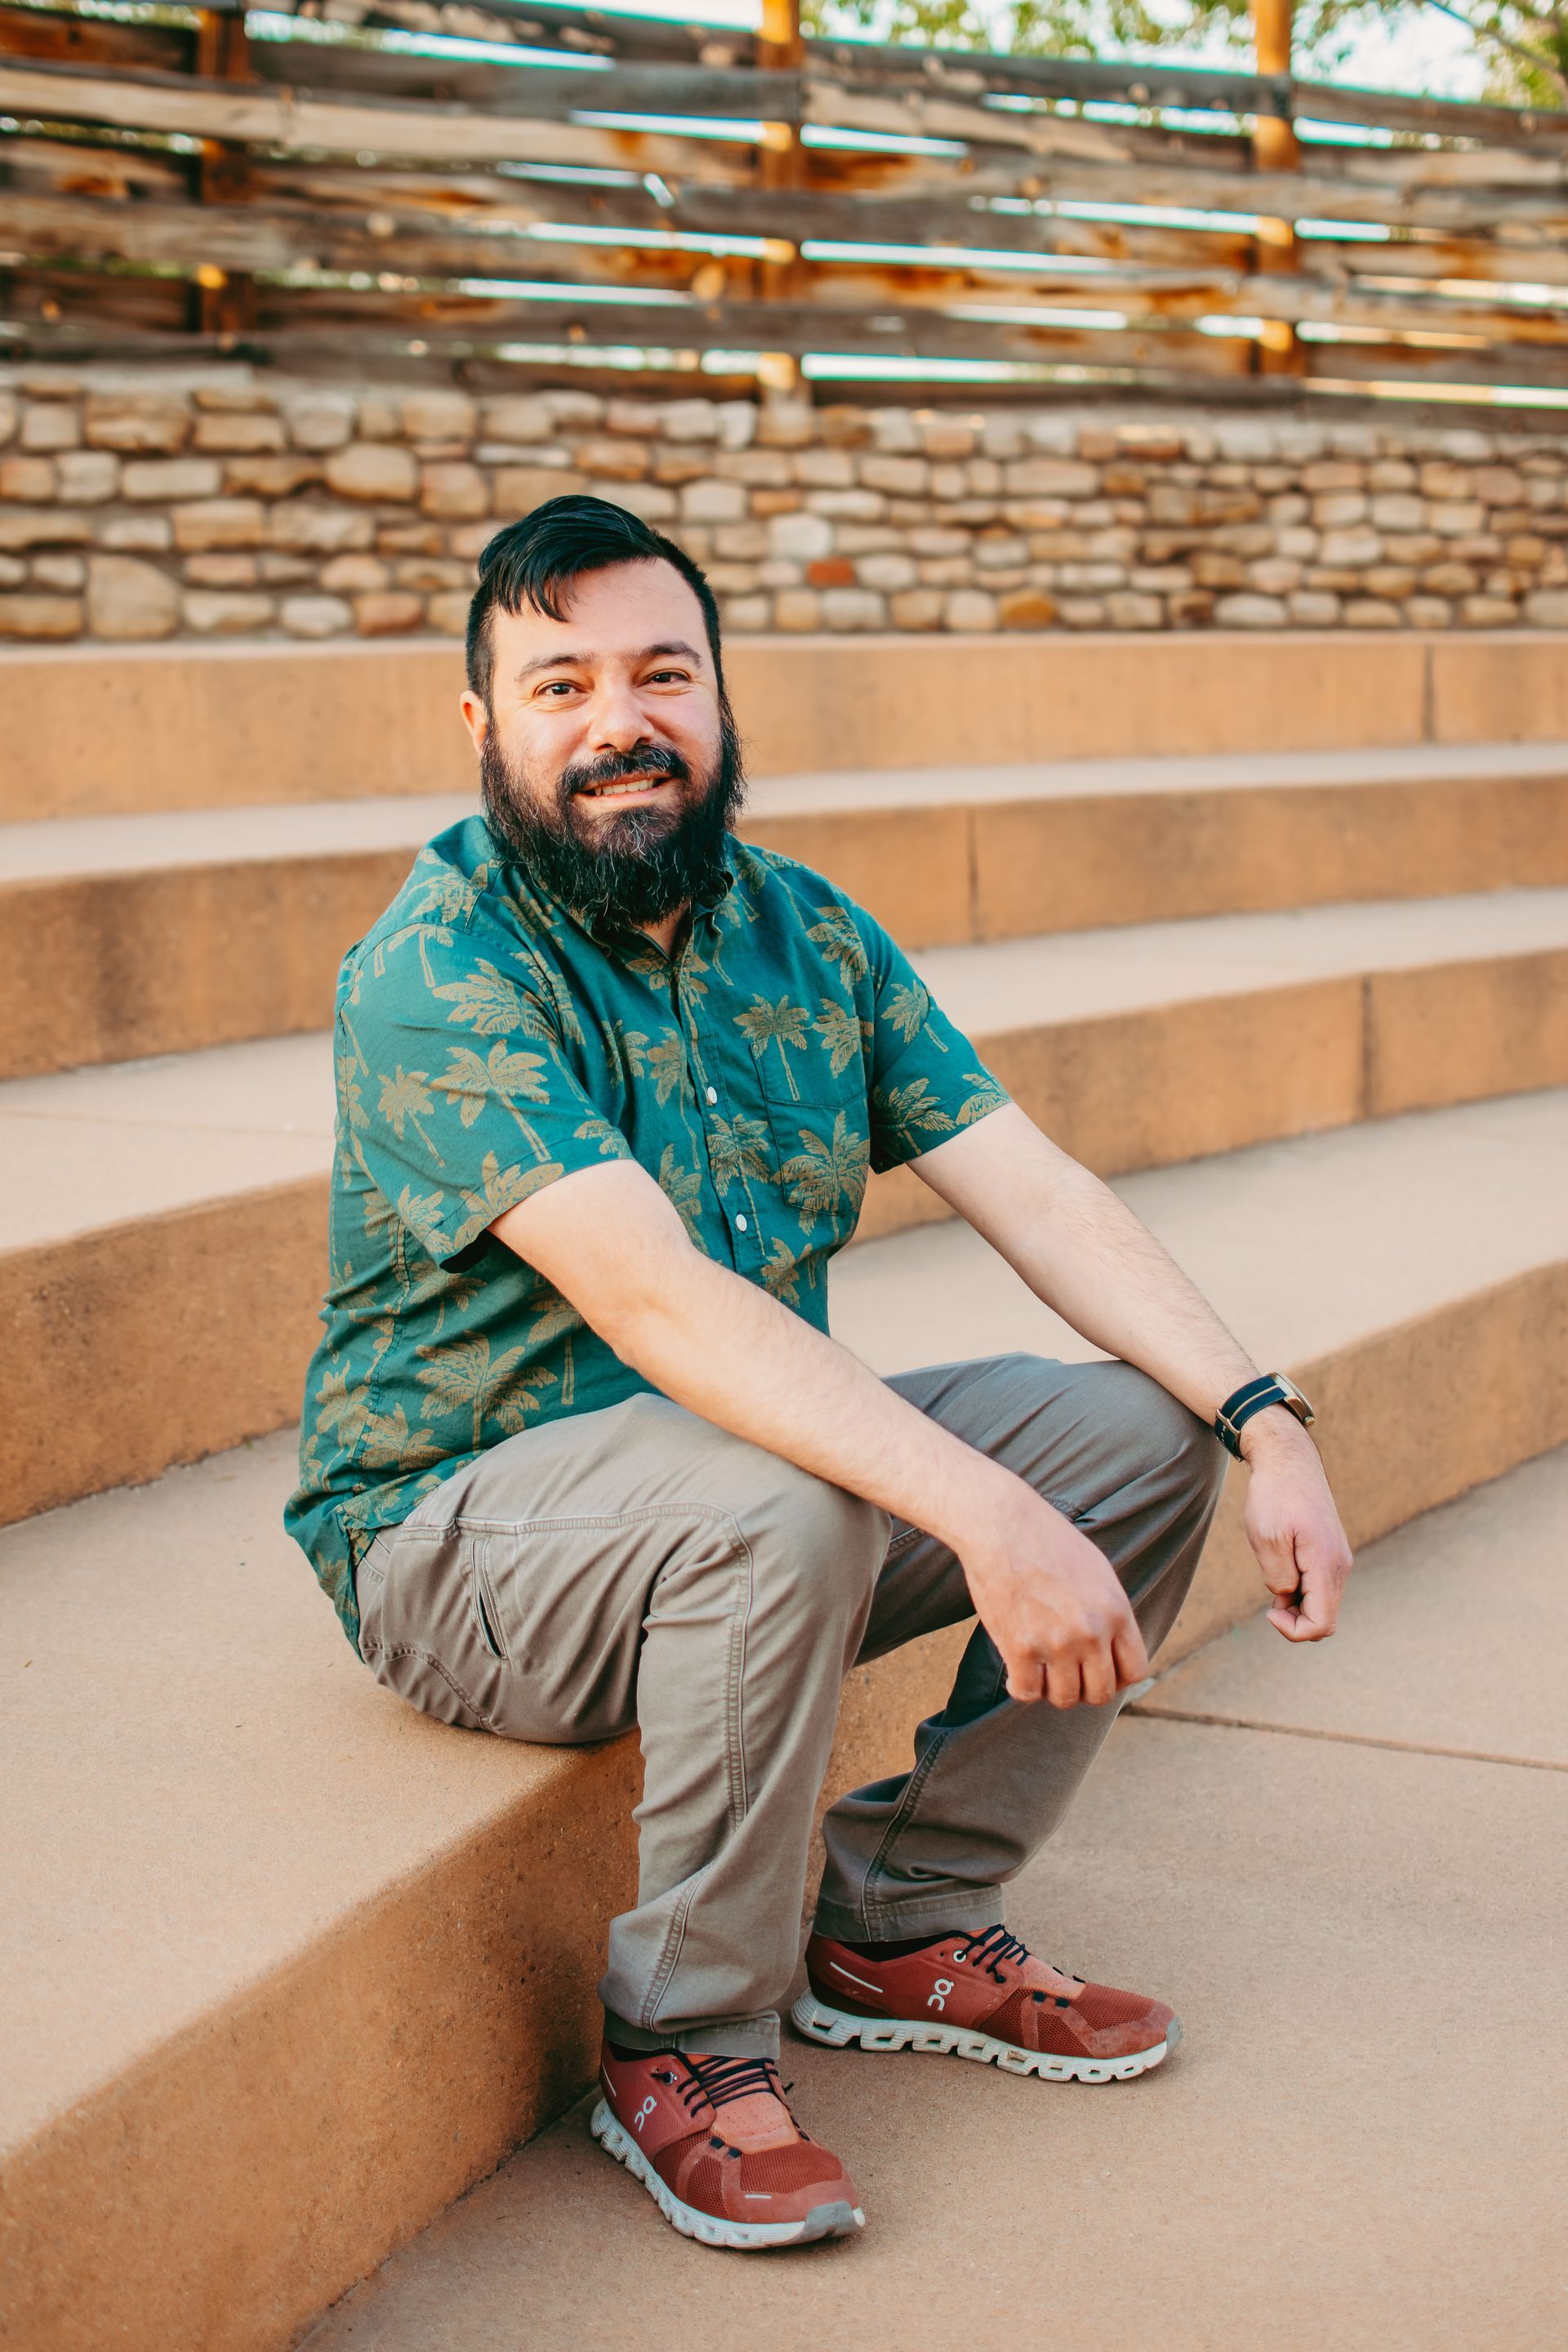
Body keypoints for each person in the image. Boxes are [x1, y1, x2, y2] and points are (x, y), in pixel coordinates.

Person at [287, 492, 1353, 2252]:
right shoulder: (435, 967)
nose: (619, 723)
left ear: (719, 698)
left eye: (661, 674)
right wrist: (979, 1514)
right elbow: (660, 1311)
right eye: (560, 687)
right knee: (795, 1493)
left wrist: (1264, 1418)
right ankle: (685, 2040)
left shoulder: (807, 931)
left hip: (732, 1509)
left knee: (1137, 1433)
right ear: (484, 728)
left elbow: (1037, 1188)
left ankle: (906, 1911)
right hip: (456, 1540)